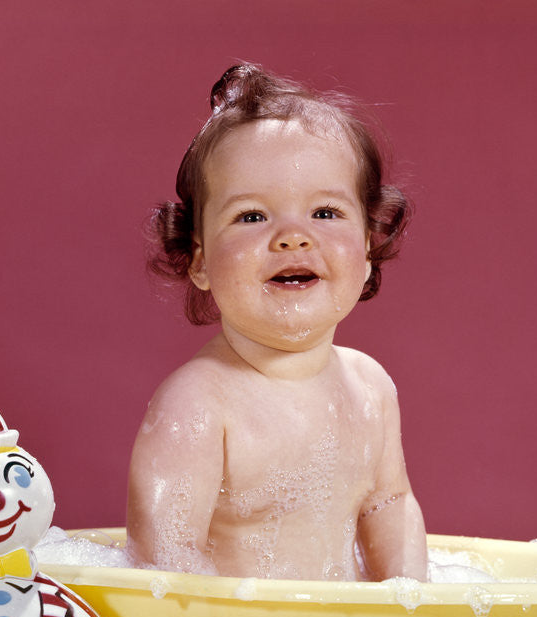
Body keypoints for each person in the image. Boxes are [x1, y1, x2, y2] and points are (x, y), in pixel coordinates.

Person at [126, 63, 427, 582]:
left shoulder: (369, 387)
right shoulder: (198, 404)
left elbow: (390, 504)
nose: (292, 236)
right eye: (251, 216)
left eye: (326, 213)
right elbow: (165, 562)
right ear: (198, 260)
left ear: (370, 249)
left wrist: (409, 604)